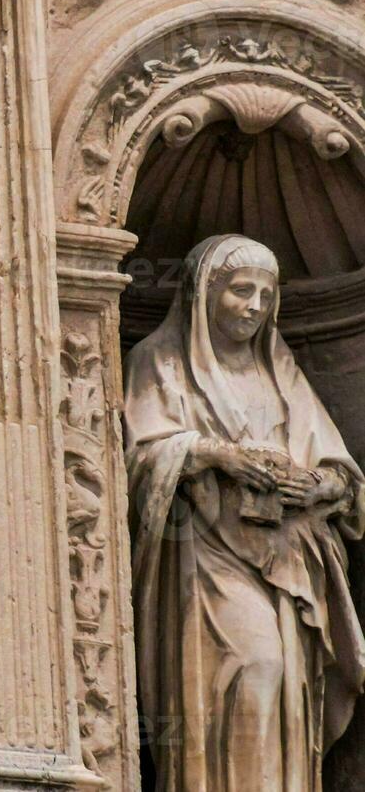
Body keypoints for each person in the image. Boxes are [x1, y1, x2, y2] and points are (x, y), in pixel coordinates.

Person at [125, 234, 365, 791]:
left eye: (265, 293)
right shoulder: (158, 364)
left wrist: (316, 487)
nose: (254, 306)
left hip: (289, 555)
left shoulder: (279, 372)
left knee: (286, 690)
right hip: (203, 555)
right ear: (204, 295)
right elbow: (140, 456)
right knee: (254, 667)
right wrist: (219, 456)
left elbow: (342, 473)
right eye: (240, 291)